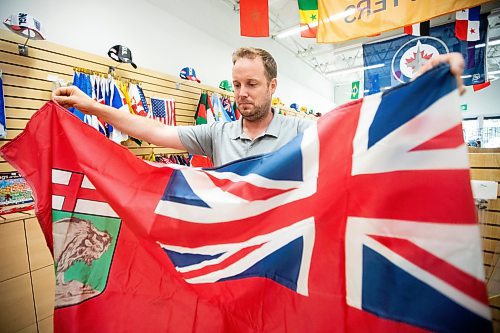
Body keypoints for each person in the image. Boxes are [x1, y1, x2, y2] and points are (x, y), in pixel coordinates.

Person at [52, 48, 466, 167]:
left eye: (251, 84)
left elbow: (360, 131)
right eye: (236, 85)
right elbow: (150, 131)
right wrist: (92, 105)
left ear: (272, 86)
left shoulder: (300, 128)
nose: (242, 93)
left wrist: (422, 95)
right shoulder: (216, 134)